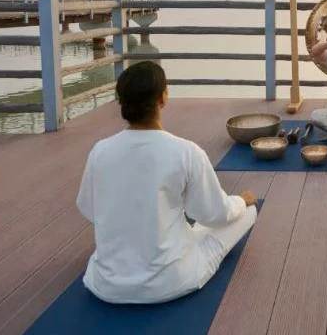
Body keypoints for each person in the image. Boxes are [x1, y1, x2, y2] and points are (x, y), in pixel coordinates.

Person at [76, 62, 258, 304]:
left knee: (177, 222)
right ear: (163, 98)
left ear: (121, 102)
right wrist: (240, 201)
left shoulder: (100, 151)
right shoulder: (185, 152)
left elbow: (88, 208)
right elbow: (216, 215)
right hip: (171, 281)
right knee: (247, 212)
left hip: (106, 284)